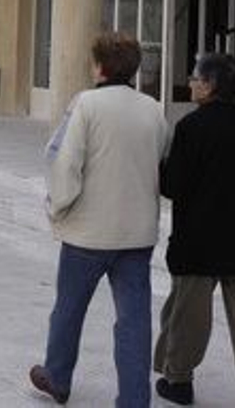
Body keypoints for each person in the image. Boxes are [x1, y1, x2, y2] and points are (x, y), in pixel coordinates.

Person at [29, 32, 169, 407]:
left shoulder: (86, 104)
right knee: (134, 322)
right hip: (137, 234)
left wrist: (58, 206)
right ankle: (135, 399)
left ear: (100, 67)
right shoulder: (153, 109)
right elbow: (161, 162)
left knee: (69, 309)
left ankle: (57, 377)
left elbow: (65, 161)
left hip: (88, 234)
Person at [153, 53, 235, 408]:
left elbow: (174, 185)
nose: (190, 83)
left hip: (198, 246)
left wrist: (157, 168)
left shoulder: (191, 128)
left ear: (209, 86)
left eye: (194, 78)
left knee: (188, 318)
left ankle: (178, 380)